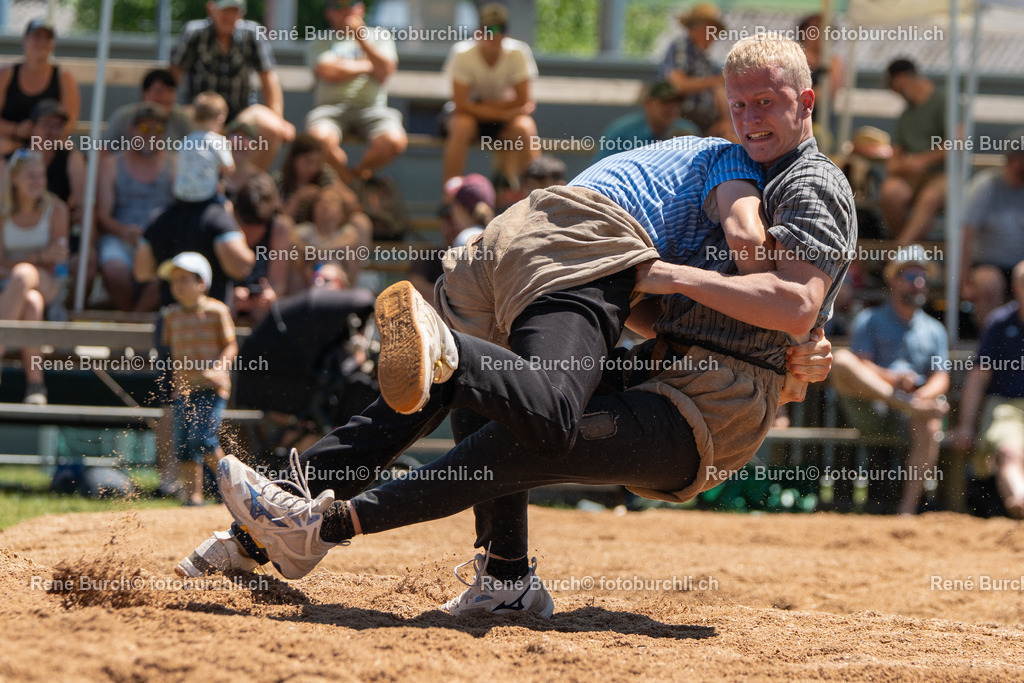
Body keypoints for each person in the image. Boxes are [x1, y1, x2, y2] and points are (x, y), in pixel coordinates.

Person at [191, 36, 853, 616]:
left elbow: (791, 302)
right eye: (739, 105)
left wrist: (721, 301)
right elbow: (746, 306)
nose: (750, 118)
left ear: (806, 101)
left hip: (710, 407)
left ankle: (323, 525)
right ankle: (480, 568)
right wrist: (683, 296)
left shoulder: (805, 181)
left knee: (528, 427)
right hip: (670, 366)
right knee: (489, 397)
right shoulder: (740, 170)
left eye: (764, 102)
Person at [830, 246, 949, 515]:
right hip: (873, 407)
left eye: (924, 279)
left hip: (912, 410)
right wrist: (893, 378)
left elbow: (941, 376)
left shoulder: (935, 329)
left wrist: (920, 396)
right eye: (911, 277)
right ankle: (908, 404)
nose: (919, 284)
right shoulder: (869, 319)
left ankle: (907, 511)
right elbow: (859, 364)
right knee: (841, 360)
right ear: (894, 279)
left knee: (929, 419)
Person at [170, 0, 295, 171]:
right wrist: (169, 107)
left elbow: (268, 77)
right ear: (211, 9)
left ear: (242, 13)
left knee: (272, 127)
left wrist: (279, 119)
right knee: (176, 121)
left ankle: (247, 185)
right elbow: (174, 73)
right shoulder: (194, 33)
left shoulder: (252, 33)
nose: (230, 16)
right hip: (200, 113)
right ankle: (194, 187)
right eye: (225, 10)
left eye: (234, 11)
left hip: (241, 114)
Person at [158, 252, 236, 506]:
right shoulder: (171, 316)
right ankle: (193, 498)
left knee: (203, 439)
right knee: (183, 444)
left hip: (212, 388)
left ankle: (236, 488)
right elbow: (173, 354)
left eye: (184, 279)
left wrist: (218, 369)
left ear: (201, 283)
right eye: (174, 281)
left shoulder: (216, 311)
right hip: (186, 390)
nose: (178, 286)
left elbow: (230, 345)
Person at [951, 261, 1024, 519]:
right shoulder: (999, 323)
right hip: (1006, 406)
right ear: (1016, 288)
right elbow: (978, 378)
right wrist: (966, 426)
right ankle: (1020, 500)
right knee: (1008, 451)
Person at [307, 0, 408, 182]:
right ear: (328, 12)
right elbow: (328, 71)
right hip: (330, 109)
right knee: (318, 141)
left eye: (350, 5)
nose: (345, 11)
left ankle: (357, 174)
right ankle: (350, 181)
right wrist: (370, 67)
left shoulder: (380, 36)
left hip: (373, 109)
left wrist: (361, 38)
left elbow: (385, 70)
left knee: (394, 141)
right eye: (337, 6)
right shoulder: (320, 39)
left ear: (361, 8)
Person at [441, 2, 539, 185]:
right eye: (489, 29)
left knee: (525, 127)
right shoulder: (462, 53)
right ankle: (450, 197)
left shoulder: (518, 51)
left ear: (507, 31)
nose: (495, 35)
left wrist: (480, 104)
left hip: (502, 121)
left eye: (500, 28)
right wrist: (504, 112)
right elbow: (461, 105)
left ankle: (537, 196)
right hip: (474, 118)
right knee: (462, 125)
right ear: (478, 32)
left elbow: (524, 101)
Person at [0, 149, 70, 404]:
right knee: (31, 302)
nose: (37, 182)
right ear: (15, 179)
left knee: (23, 274)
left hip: (50, 282)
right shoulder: (3, 212)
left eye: (40, 176)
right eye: (30, 176)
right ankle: (36, 386)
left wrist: (51, 261)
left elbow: (59, 267)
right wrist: (38, 256)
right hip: (9, 287)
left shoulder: (57, 210)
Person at [96, 103, 175, 312]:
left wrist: (156, 236)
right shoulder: (111, 165)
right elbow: (102, 214)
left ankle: (130, 322)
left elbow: (179, 210)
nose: (151, 135)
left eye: (157, 130)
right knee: (114, 270)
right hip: (120, 238)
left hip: (161, 240)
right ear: (131, 130)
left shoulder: (174, 164)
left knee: (167, 274)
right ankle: (133, 322)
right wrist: (123, 231)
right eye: (144, 129)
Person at [960, 128, 1024, 330]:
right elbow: (966, 236)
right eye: (1018, 158)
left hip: (1020, 266)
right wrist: (963, 281)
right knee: (990, 283)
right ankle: (992, 345)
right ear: (1009, 159)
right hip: (988, 264)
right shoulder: (985, 187)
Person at [880, 59, 947, 244]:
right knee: (891, 192)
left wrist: (922, 161)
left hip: (943, 174)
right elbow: (898, 149)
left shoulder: (945, 102)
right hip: (912, 176)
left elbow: (957, 144)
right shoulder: (906, 114)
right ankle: (910, 253)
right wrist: (895, 164)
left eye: (893, 87)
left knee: (929, 198)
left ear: (901, 79)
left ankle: (899, 252)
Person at [0, 19, 79, 156]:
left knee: (73, 154)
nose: (42, 42)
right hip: (10, 143)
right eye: (37, 37)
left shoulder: (64, 78)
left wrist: (43, 134)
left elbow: (70, 123)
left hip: (50, 143)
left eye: (47, 38)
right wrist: (16, 130)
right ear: (25, 40)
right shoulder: (6, 75)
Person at [658, 3, 732, 139]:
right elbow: (677, 84)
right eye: (711, 30)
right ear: (697, 28)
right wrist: (715, 81)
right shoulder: (682, 46)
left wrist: (725, 121)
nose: (714, 36)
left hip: (708, 122)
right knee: (685, 140)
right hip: (681, 117)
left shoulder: (705, 59)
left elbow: (718, 88)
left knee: (732, 140)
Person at [231, 174, 294, 323]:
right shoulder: (223, 222)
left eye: (258, 227)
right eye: (246, 224)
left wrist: (270, 295)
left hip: (261, 314)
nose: (251, 233)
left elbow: (279, 284)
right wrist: (230, 295)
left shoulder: (280, 229)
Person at [594, 81, 699, 162]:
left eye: (677, 103)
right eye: (665, 102)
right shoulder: (621, 133)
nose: (672, 108)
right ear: (647, 103)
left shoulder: (689, 132)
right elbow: (599, 170)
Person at [294, 185, 372, 290]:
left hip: (339, 282)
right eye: (320, 201)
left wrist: (317, 252)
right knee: (293, 254)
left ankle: (348, 291)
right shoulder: (307, 230)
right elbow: (292, 239)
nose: (325, 205)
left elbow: (350, 241)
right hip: (308, 280)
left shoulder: (345, 231)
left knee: (350, 253)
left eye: (332, 201)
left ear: (341, 214)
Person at [103, 69, 193, 148]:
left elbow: (194, 150)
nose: (164, 97)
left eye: (170, 91)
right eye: (159, 91)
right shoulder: (123, 118)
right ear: (145, 93)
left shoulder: (182, 119)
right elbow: (103, 150)